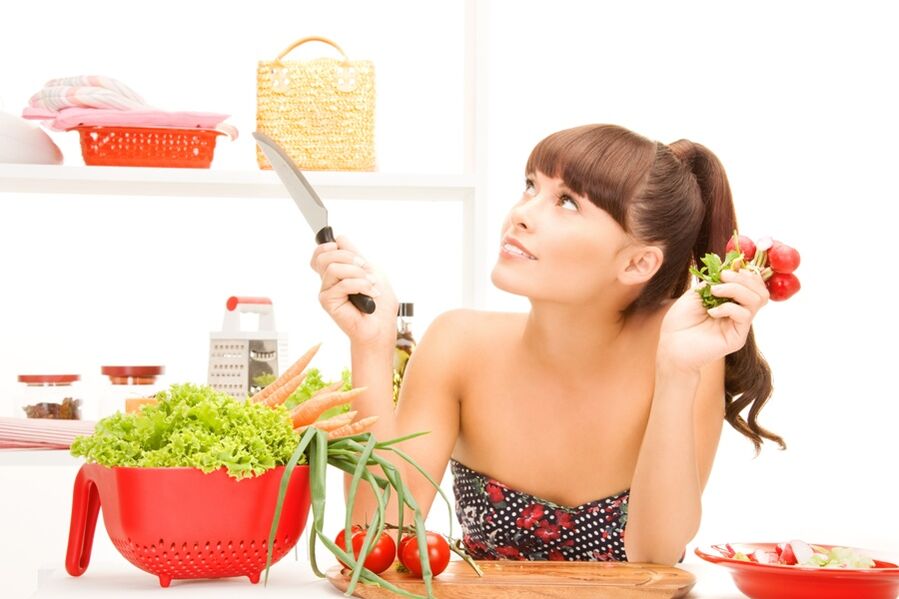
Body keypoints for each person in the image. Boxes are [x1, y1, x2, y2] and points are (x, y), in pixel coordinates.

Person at [310, 124, 785, 565]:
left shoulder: (683, 350)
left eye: (568, 202)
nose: (520, 213)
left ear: (638, 263)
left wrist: (679, 374)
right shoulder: (458, 345)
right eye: (530, 186)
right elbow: (376, 540)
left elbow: (657, 558)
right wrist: (371, 347)